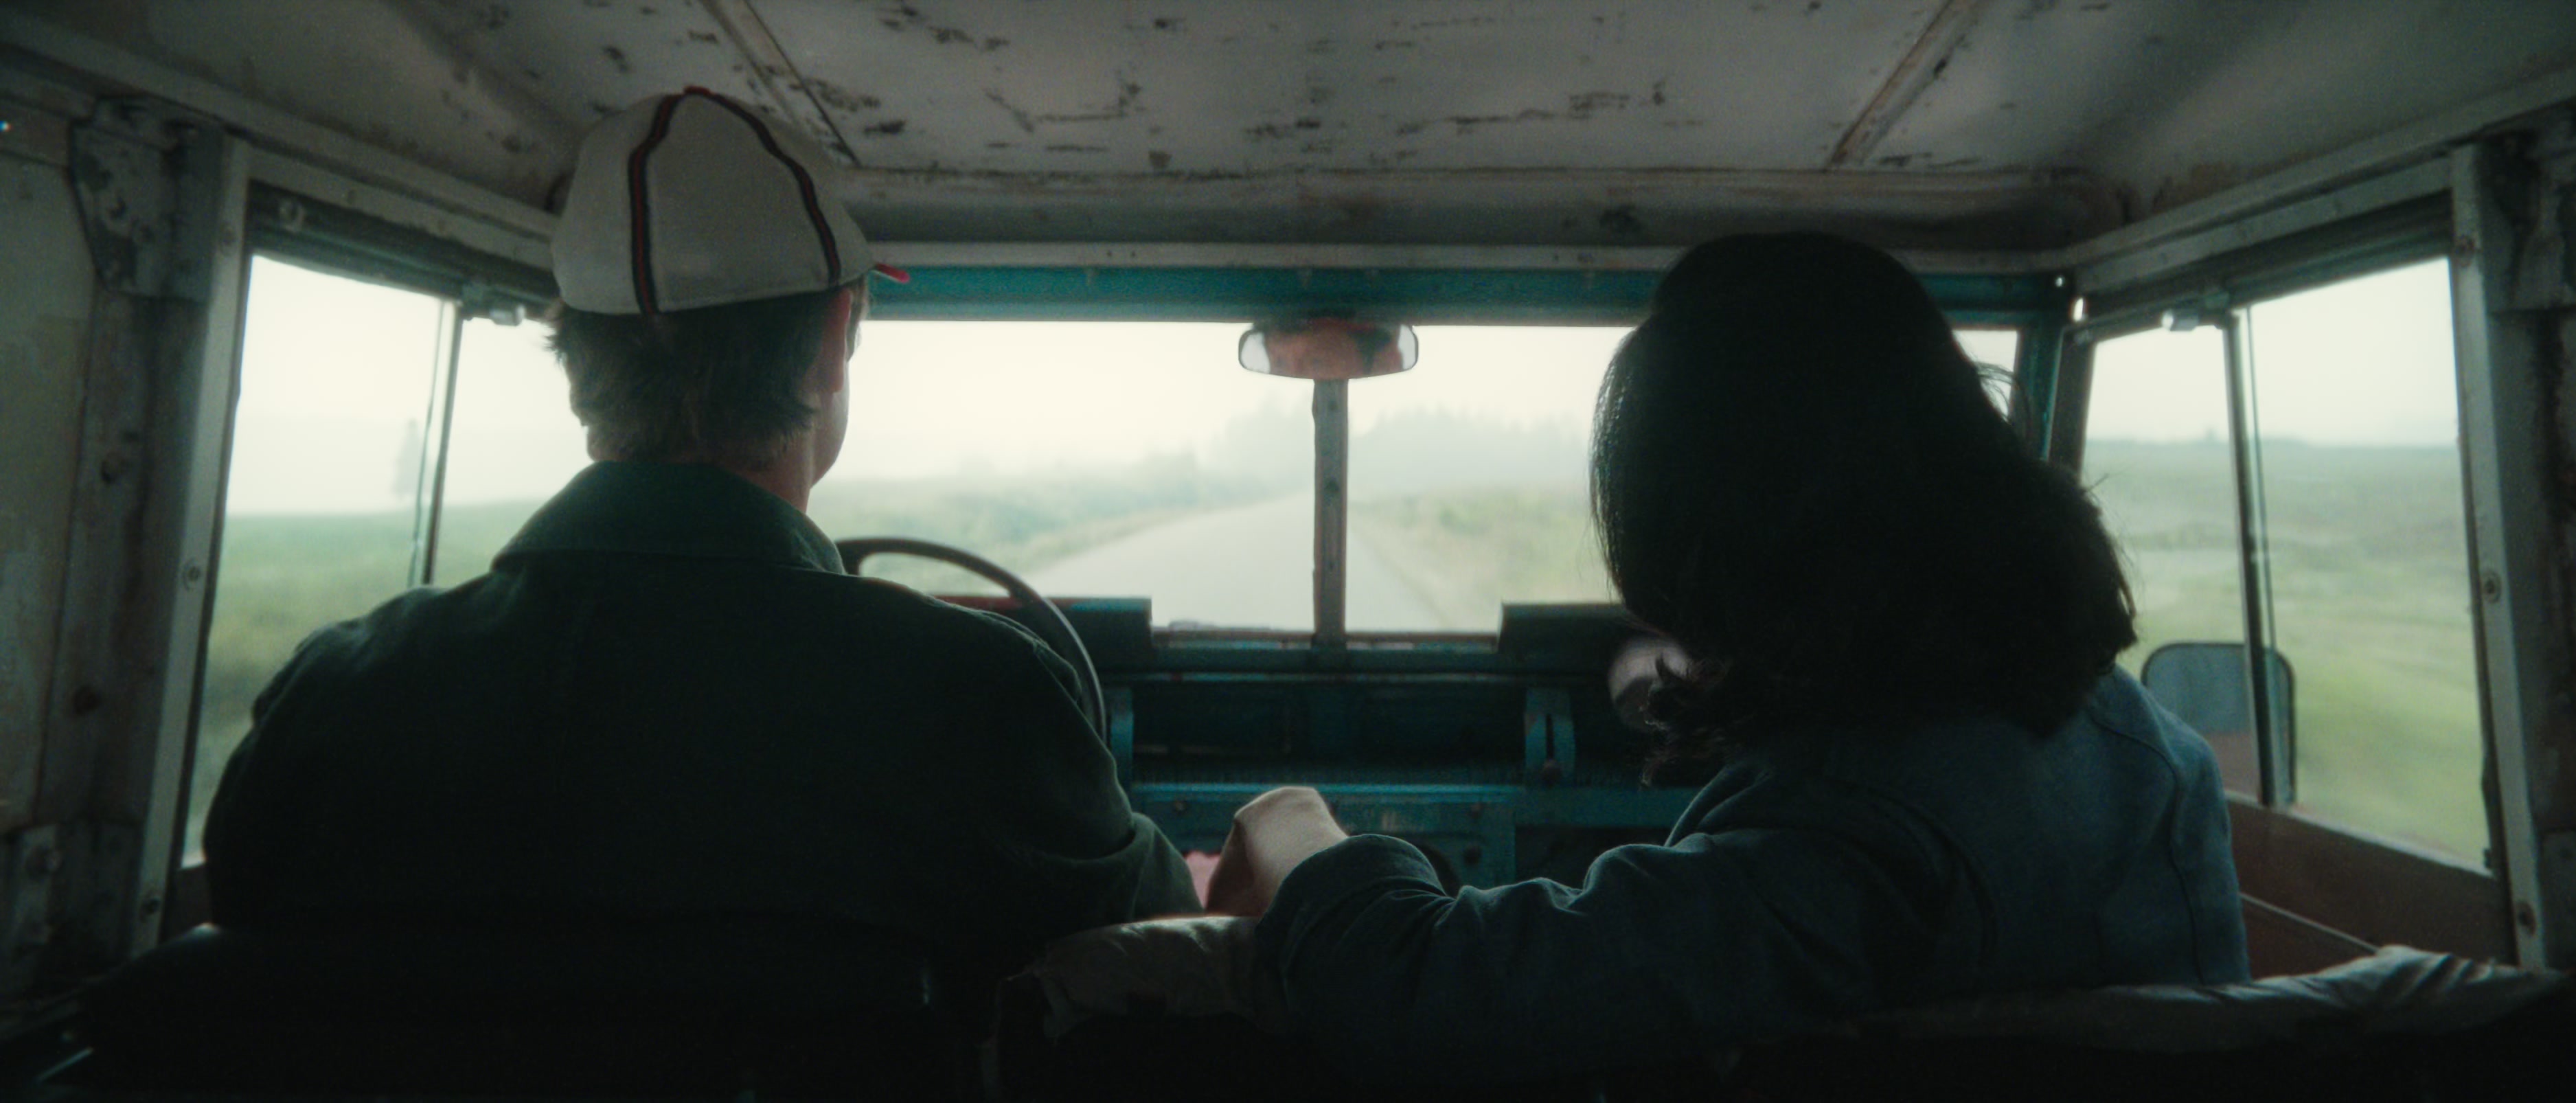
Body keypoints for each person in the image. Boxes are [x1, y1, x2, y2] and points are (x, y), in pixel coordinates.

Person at [202, 88, 1198, 985]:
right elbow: (1158, 959)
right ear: (829, 344)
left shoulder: (335, 703)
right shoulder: (979, 702)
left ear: (577, 364)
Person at [1205, 233, 2247, 1084]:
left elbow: (1411, 998)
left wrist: (1295, 824)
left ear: (1742, 533)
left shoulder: (1850, 847)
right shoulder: (2150, 751)